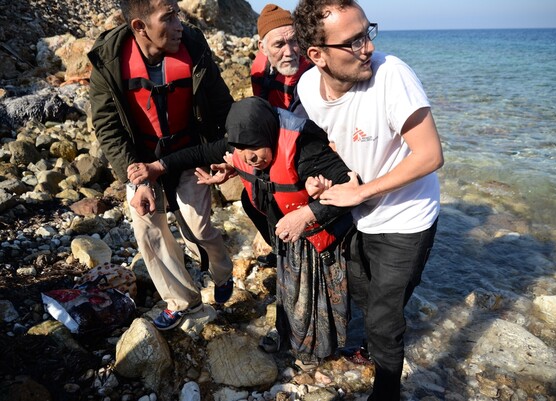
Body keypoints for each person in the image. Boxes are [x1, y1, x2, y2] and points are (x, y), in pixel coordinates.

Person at [128, 96, 356, 364]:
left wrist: (307, 214)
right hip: (287, 235)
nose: (250, 157)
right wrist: (156, 167)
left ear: (270, 135)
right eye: (243, 150)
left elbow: (350, 189)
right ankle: (289, 337)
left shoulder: (308, 150)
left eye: (256, 149)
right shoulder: (242, 148)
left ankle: (322, 352)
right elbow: (198, 153)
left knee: (321, 299)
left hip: (320, 238)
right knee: (289, 292)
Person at [293, 1, 444, 399]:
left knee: (382, 316)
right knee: (362, 293)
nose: (368, 48)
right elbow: (322, 147)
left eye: (367, 33)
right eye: (353, 41)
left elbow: (430, 155)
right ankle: (376, 343)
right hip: (359, 215)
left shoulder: (391, 76)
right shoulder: (307, 87)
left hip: (408, 216)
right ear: (317, 55)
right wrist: (316, 180)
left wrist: (361, 191)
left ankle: (387, 390)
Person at [87, 0, 235, 331]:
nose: (179, 24)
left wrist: (229, 154)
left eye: (177, 13)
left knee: (198, 228)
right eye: (168, 17)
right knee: (147, 226)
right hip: (140, 162)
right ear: (139, 26)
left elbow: (223, 105)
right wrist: (136, 180)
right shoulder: (108, 63)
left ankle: (222, 272)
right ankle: (182, 300)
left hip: (189, 154)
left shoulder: (193, 46)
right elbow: (108, 129)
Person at [247, 4, 313, 268]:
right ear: (263, 48)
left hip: (313, 151)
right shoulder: (260, 73)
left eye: (294, 41)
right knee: (250, 198)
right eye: (278, 45)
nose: (289, 52)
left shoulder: (314, 72)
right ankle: (281, 249)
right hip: (281, 147)